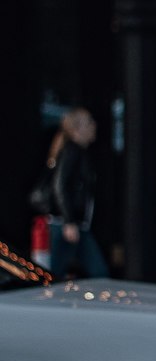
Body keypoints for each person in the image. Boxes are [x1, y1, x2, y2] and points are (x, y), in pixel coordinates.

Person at [45, 108, 109, 280]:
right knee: (57, 274)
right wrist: (69, 220)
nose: (94, 126)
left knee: (58, 274)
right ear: (77, 129)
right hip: (67, 224)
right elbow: (60, 186)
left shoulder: (78, 152)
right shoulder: (72, 151)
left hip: (75, 224)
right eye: (89, 122)